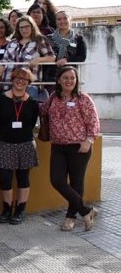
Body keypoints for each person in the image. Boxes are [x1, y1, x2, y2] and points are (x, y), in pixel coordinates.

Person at [40, 66, 100, 232]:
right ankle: (86, 211)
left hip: (79, 147)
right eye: (65, 78)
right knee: (57, 180)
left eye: (72, 78)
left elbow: (93, 122)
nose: (69, 81)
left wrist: (89, 141)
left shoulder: (83, 98)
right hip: (58, 146)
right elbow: (42, 110)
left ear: (76, 80)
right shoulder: (53, 97)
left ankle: (71, 217)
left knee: (76, 183)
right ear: (59, 80)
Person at [0, 67, 40, 225]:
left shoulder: (32, 103)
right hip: (5, 143)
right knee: (5, 179)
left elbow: (31, 123)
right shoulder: (0, 99)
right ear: (12, 80)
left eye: (24, 79)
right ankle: (6, 209)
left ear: (28, 83)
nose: (20, 81)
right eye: (17, 78)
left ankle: (20, 210)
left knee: (23, 178)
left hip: (25, 144)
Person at [0, 15, 55, 98]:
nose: (24, 30)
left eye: (27, 27)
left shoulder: (40, 40)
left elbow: (52, 57)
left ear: (32, 27)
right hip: (8, 83)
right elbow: (4, 62)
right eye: (21, 28)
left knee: (26, 109)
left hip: (29, 85)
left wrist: (38, 60)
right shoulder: (12, 42)